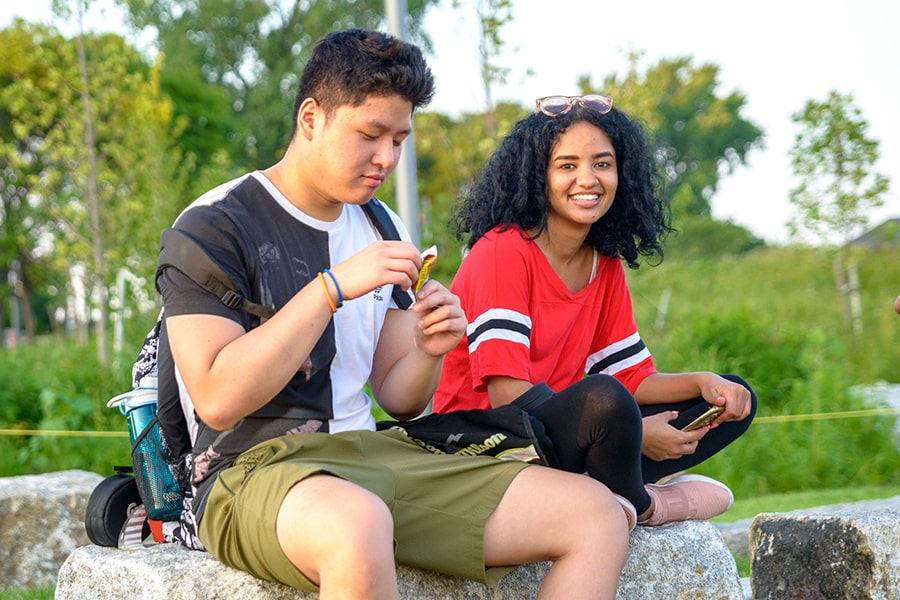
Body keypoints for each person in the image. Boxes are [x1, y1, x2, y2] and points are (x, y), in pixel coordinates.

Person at [158, 31, 630, 599]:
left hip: (369, 453)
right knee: (358, 527)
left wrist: (431, 346)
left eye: (400, 139)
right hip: (246, 470)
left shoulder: (382, 225)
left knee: (595, 514)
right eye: (370, 135)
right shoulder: (213, 226)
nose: (387, 158)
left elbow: (400, 398)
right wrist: (330, 290)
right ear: (311, 119)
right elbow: (216, 396)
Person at [433, 94, 757, 526]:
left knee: (734, 397)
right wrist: (636, 437)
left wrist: (704, 382)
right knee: (606, 403)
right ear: (537, 177)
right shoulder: (503, 251)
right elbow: (506, 396)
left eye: (602, 164)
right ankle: (646, 506)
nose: (588, 179)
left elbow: (631, 377)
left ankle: (607, 485)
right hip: (485, 445)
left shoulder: (603, 261)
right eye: (567, 166)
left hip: (562, 438)